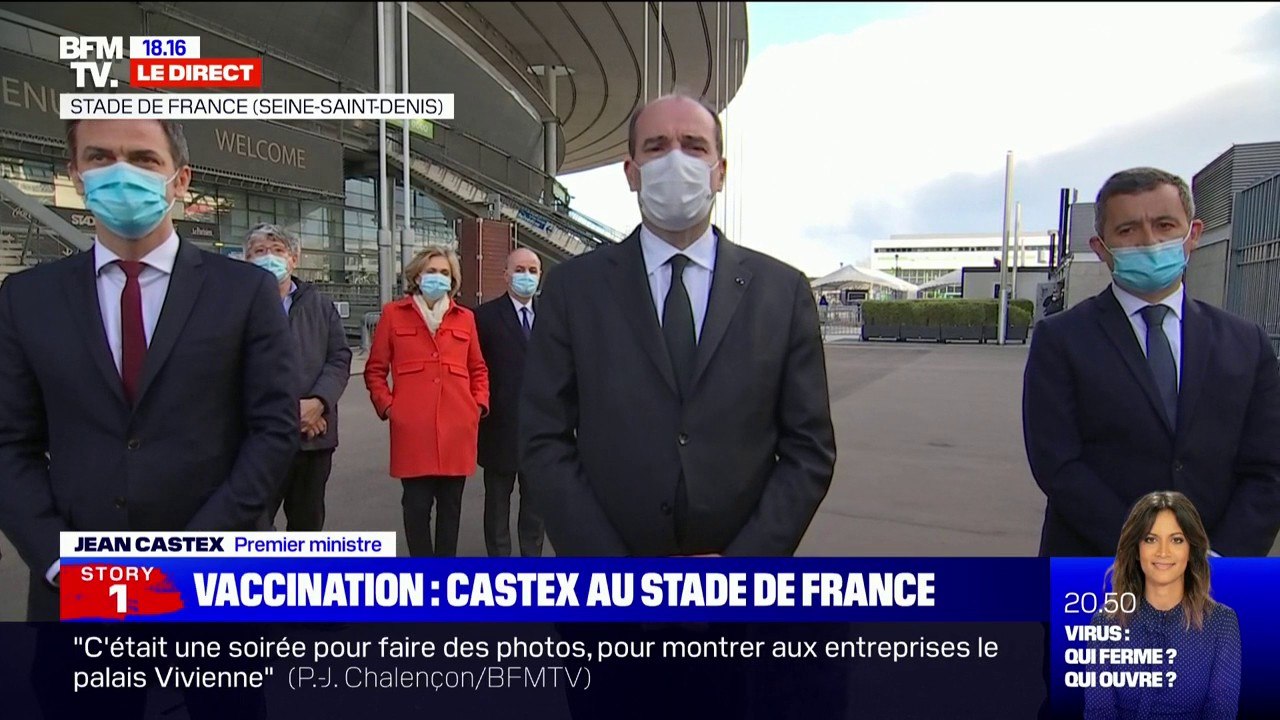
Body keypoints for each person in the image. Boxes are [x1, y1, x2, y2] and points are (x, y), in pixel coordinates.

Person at [0, 118, 297, 718]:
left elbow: (272, 430)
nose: (121, 173)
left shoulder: (243, 293)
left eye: (142, 158)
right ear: (76, 176)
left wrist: (196, 553)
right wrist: (59, 558)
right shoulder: (26, 298)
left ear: (180, 179)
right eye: (100, 157)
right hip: (79, 590)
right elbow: (10, 444)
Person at [520, 93, 837, 558]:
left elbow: (809, 449)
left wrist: (742, 568)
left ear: (720, 172)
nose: (675, 160)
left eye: (693, 145)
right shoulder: (572, 290)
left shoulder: (783, 292)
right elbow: (542, 438)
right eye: (656, 146)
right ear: (631, 173)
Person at [1023, 167, 1280, 558]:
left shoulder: (1246, 343)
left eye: (1164, 225)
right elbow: (1058, 465)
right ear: (1101, 247)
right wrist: (1148, 549)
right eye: (1127, 230)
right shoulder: (1060, 340)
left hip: (1219, 574)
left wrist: (1223, 558)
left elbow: (1268, 469)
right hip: (1097, 567)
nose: (1148, 241)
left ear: (1192, 235)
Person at [364, 246, 489, 557]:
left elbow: (478, 368)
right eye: (432, 271)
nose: (438, 277)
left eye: (445, 273)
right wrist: (389, 407)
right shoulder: (394, 314)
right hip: (413, 430)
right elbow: (375, 370)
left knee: (451, 509)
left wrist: (477, 406)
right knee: (416, 507)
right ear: (417, 276)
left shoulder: (465, 318)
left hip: (458, 427)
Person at [1085, 491, 1241, 719]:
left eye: (1176, 540)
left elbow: (1221, 711)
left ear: (1191, 550)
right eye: (1151, 539)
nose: (1163, 552)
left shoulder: (1221, 623)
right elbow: (1098, 712)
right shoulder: (1104, 624)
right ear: (1136, 550)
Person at [244, 224, 352, 531]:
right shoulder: (232, 304)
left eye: (278, 251)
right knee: (251, 526)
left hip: (312, 440)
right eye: (260, 252)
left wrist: (318, 402)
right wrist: (294, 413)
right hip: (254, 441)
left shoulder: (320, 305)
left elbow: (339, 357)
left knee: (307, 525)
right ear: (246, 259)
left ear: (294, 258)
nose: (269, 258)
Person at [474, 247, 545, 557]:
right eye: (519, 269)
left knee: (536, 509)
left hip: (541, 432)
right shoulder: (483, 317)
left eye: (532, 270)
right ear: (505, 275)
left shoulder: (553, 315)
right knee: (497, 507)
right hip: (499, 429)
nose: (526, 276)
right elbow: (475, 370)